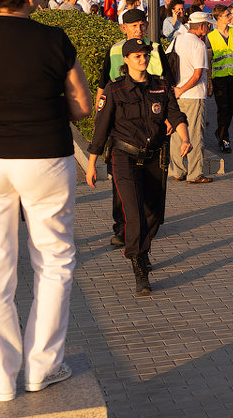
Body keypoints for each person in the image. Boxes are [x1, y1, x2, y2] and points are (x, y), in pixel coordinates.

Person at [0, 0, 91, 402]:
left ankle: (0, 378)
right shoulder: (54, 39)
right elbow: (83, 105)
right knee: (53, 261)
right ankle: (41, 368)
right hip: (45, 156)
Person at [86, 39, 191, 296]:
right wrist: (91, 165)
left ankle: (141, 251)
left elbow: (175, 114)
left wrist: (185, 137)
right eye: (136, 56)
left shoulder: (160, 86)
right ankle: (138, 265)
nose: (142, 60)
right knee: (133, 214)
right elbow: (100, 129)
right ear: (126, 61)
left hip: (154, 156)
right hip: (124, 157)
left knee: (153, 213)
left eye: (145, 55)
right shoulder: (115, 89)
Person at [168, 12, 213, 184]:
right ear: (201, 26)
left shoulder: (177, 39)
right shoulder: (198, 44)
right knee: (194, 133)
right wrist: (181, 89)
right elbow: (197, 74)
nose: (209, 28)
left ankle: (178, 170)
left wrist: (176, 90)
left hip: (177, 94)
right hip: (193, 95)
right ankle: (195, 173)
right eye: (207, 25)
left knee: (176, 132)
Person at [207, 4, 233, 154]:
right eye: (227, 15)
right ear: (218, 18)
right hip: (219, 78)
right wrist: (209, 80)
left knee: (231, 108)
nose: (231, 17)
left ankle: (220, 131)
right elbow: (209, 60)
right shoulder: (210, 37)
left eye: (230, 14)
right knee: (223, 108)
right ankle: (224, 139)